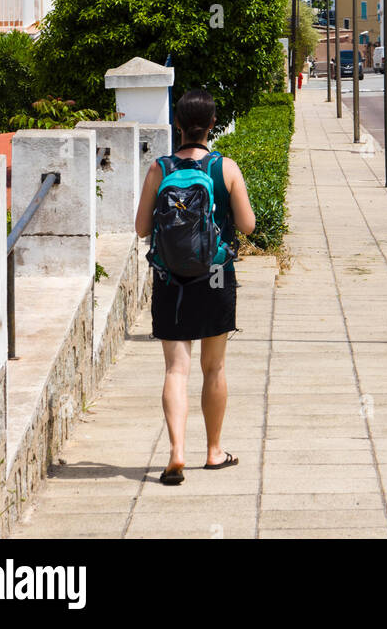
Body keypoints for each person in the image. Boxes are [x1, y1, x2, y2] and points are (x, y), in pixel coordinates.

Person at [134, 88, 256, 485]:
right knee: (214, 366)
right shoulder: (226, 167)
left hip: (170, 280)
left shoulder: (160, 169)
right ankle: (214, 452)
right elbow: (248, 225)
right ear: (212, 126)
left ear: (179, 126)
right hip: (216, 276)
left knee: (176, 368)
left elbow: (140, 229)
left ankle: (176, 452)